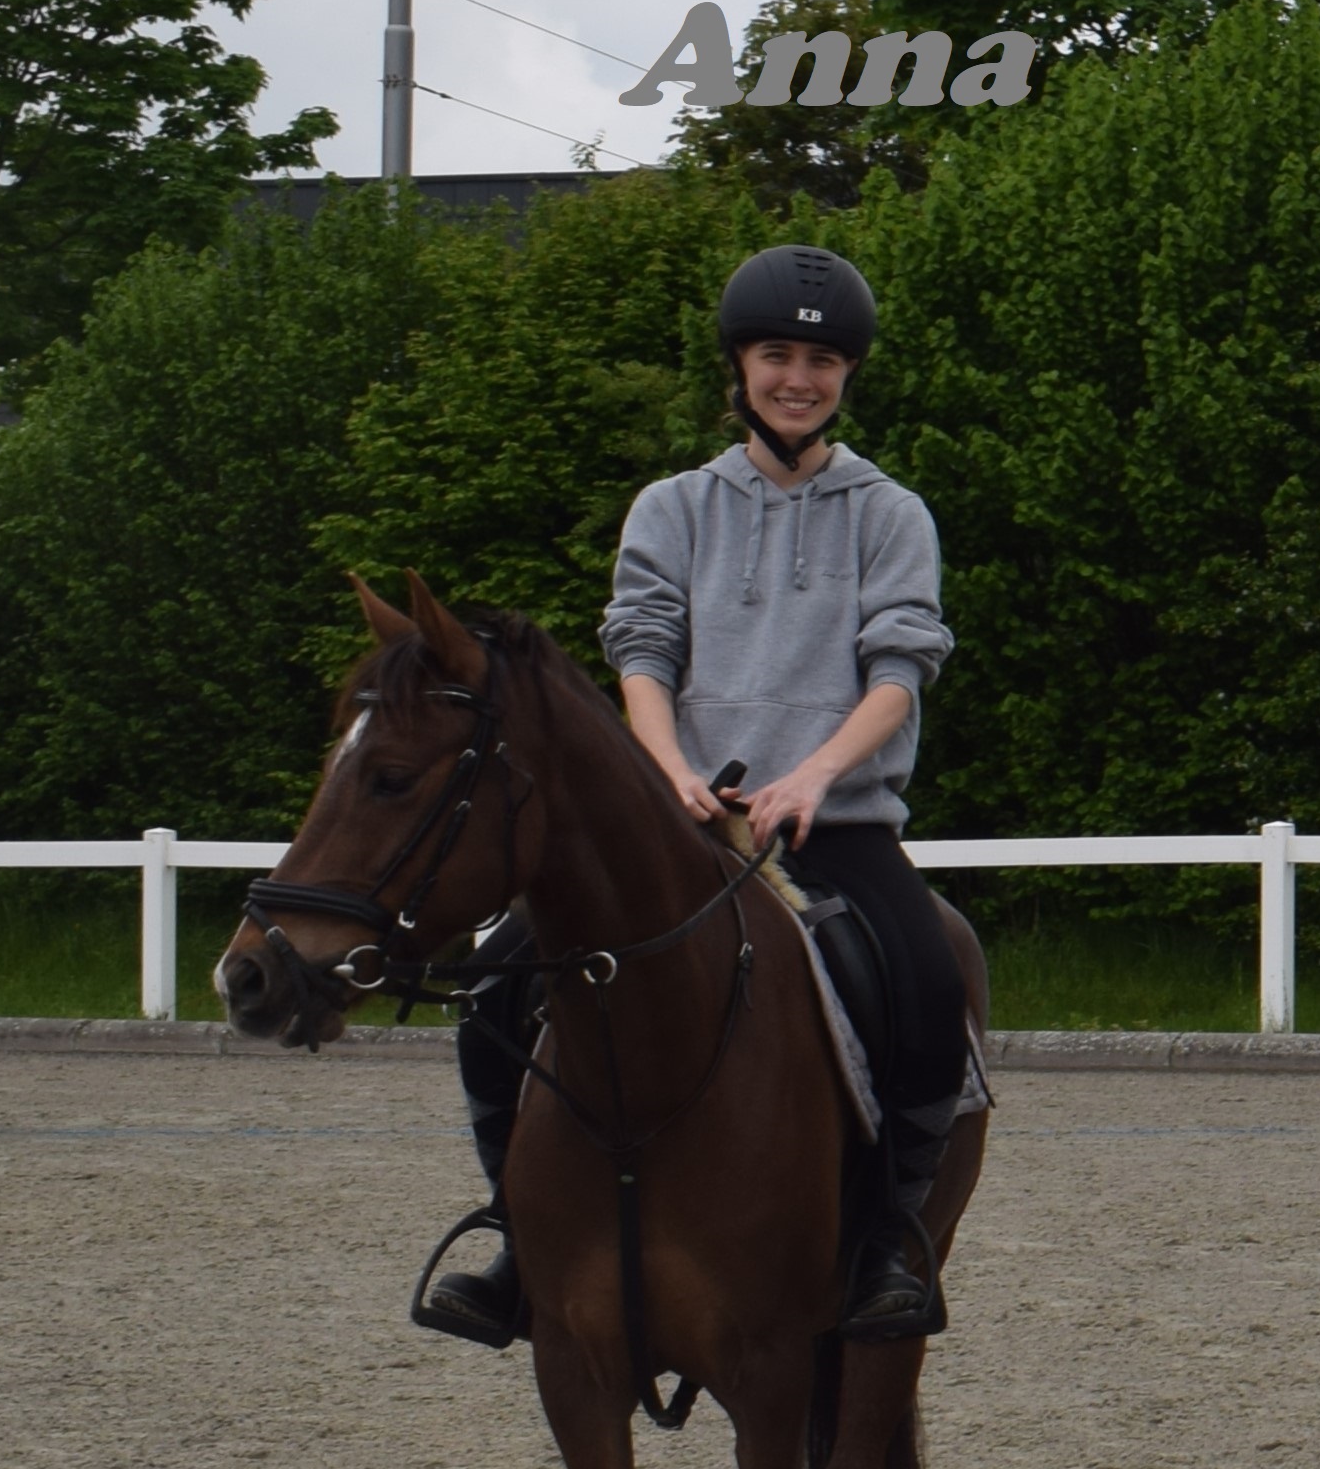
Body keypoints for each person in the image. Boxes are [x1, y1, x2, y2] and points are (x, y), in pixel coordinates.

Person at [414, 241, 970, 1347]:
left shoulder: (891, 512)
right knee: (494, 986)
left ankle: (887, 1241)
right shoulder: (672, 507)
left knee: (925, 985)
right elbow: (644, 648)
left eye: (821, 362)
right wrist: (663, 768)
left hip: (832, 823)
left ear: (847, 374)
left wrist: (814, 773)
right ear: (739, 367)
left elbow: (900, 670)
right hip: (684, 826)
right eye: (777, 358)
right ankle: (516, 1234)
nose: (798, 379)